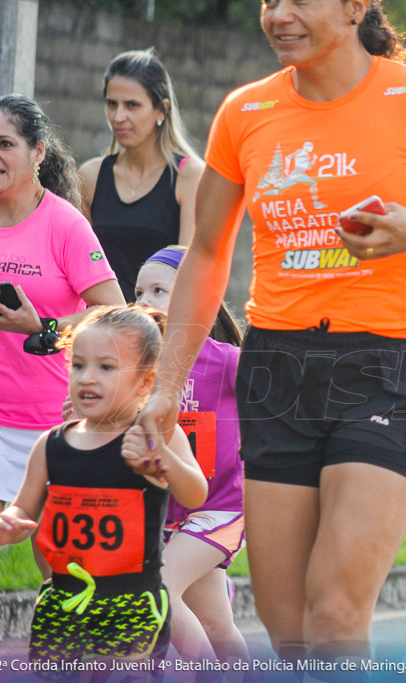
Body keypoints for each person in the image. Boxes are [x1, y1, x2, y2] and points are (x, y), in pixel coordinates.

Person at [135, 0, 406, 658]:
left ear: (357, 7)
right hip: (278, 368)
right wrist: (165, 386)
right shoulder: (246, 112)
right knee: (288, 622)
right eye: (270, 1)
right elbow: (208, 254)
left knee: (332, 610)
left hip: (390, 366)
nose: (279, 15)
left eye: (300, 0)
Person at [0, 95, 124, 672]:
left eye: (5, 144)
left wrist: (47, 328)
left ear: (37, 152)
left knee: (57, 558)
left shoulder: (64, 223)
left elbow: (112, 311)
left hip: (52, 421)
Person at [0, 305, 206, 670]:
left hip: (130, 603)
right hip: (63, 601)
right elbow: (24, 508)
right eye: (78, 365)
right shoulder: (51, 444)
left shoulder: (154, 438)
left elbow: (195, 494)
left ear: (146, 381)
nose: (88, 378)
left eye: (106, 367)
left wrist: (164, 460)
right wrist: (11, 523)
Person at [132, 246, 248, 660]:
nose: (143, 300)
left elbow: (283, 405)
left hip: (220, 508)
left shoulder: (230, 361)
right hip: (168, 512)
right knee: (217, 623)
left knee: (155, 590)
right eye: (138, 291)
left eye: (158, 290)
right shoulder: (135, 368)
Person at [78, 48, 205, 301]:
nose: (119, 116)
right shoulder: (90, 176)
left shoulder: (189, 176)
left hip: (160, 328)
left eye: (132, 105)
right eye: (112, 104)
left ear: (161, 110)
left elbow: (190, 273)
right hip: (101, 327)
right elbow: (78, 265)